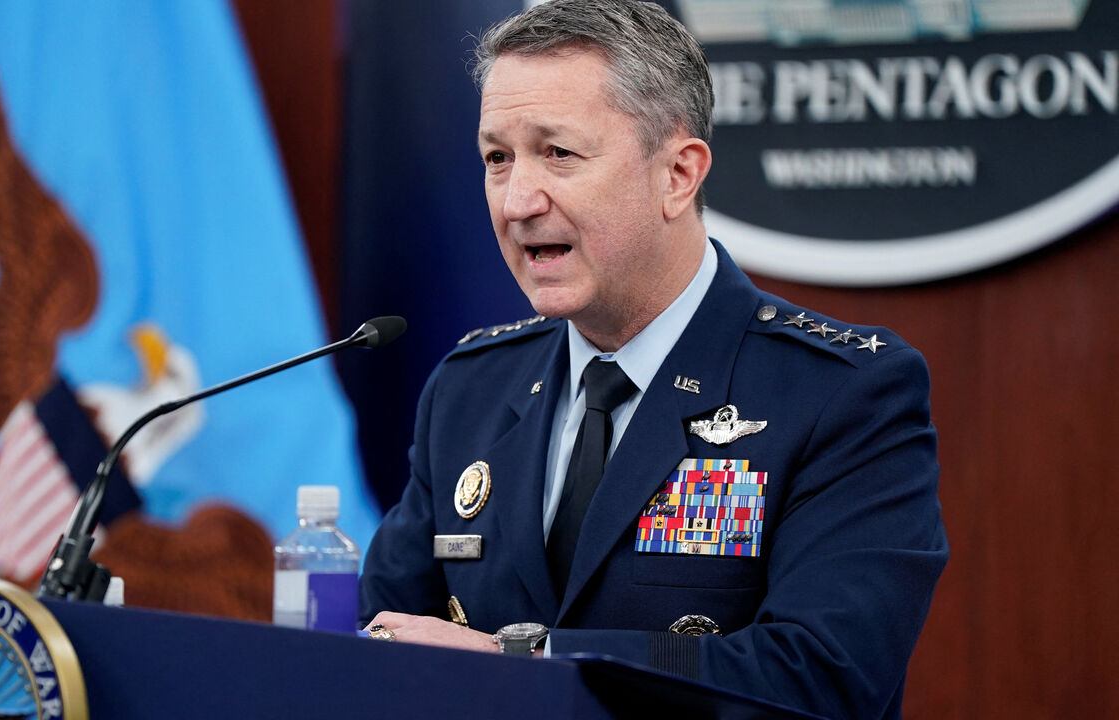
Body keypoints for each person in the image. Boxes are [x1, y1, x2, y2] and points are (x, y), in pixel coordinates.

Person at [359, 1, 947, 718]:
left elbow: (822, 674)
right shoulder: (471, 387)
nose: (516, 200)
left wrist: (525, 663)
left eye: (558, 153)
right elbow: (382, 638)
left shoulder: (842, 393)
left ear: (677, 174)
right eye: (497, 158)